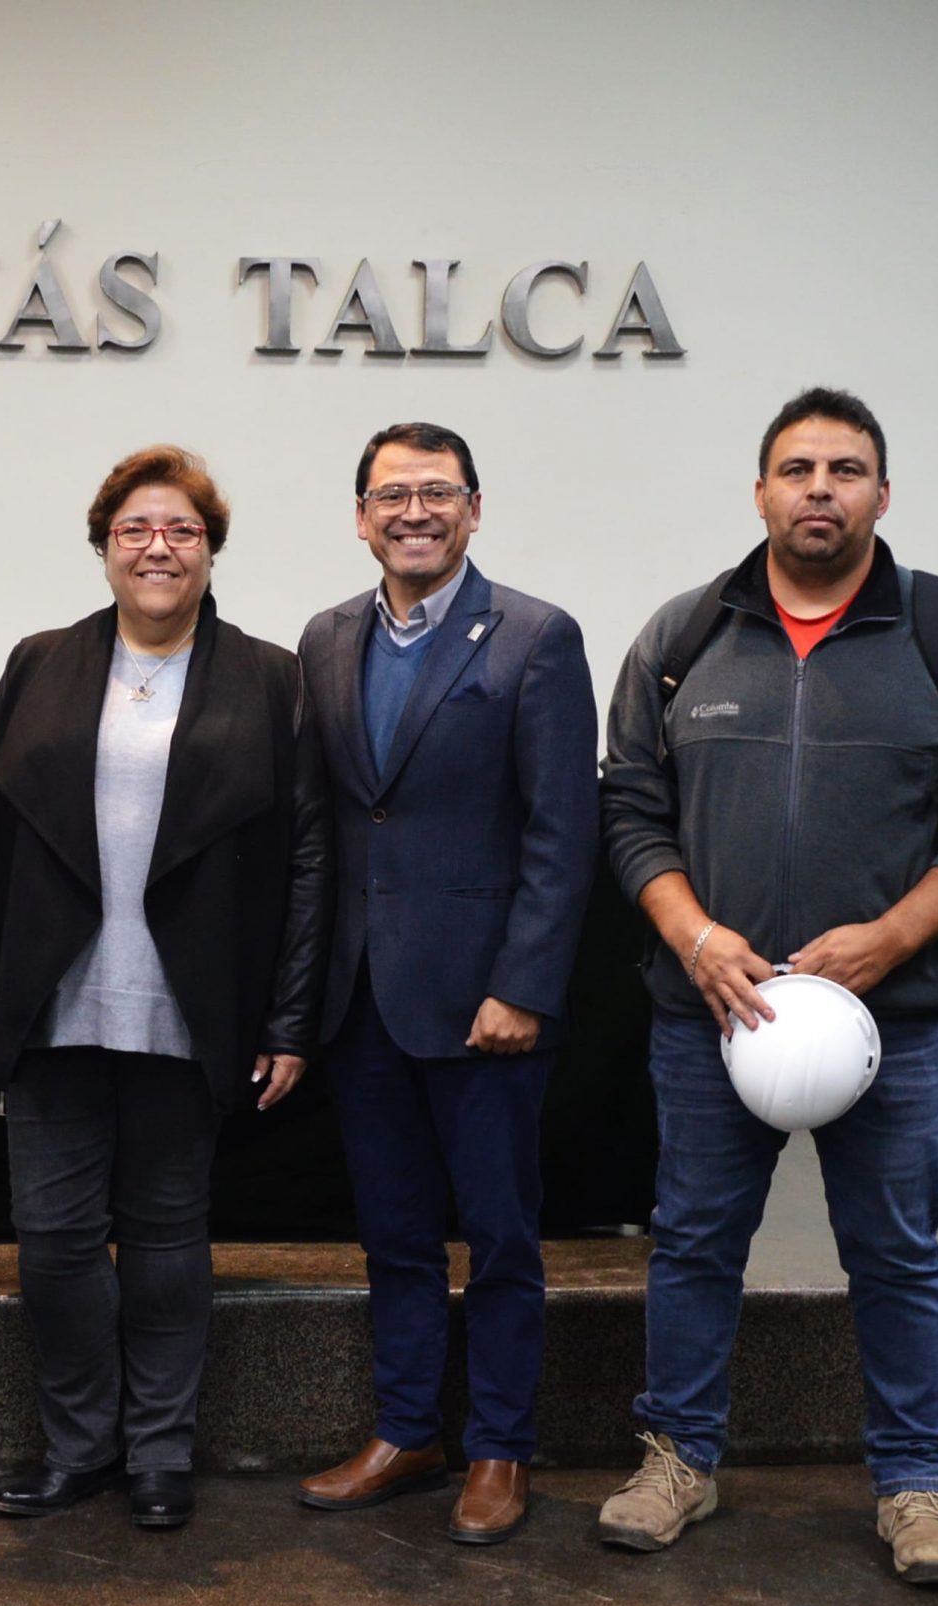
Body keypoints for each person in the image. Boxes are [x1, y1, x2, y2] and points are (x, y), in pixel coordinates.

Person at [597, 386, 938, 1586]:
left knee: (896, 1255)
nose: (818, 488)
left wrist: (891, 938)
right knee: (693, 1243)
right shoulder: (682, 638)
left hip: (889, 1026)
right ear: (759, 491)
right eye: (795, 468)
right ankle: (677, 1461)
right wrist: (693, 935)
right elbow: (631, 809)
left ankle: (914, 1485)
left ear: (881, 495)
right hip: (712, 1016)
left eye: (844, 469)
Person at [0, 446, 330, 1530]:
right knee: (56, 1243)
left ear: (210, 550)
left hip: (194, 1001)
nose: (158, 547)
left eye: (181, 531)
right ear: (104, 547)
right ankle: (80, 1448)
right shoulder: (38, 663)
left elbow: (307, 859)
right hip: (53, 1001)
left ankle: (160, 1453)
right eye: (135, 530)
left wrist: (289, 1018)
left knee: (167, 1242)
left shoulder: (268, 677)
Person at [293, 423, 600, 1545]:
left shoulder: (533, 638)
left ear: (474, 507)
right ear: (360, 515)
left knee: (503, 1236)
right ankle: (408, 1428)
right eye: (390, 496)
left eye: (435, 493)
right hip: (361, 998)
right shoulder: (325, 639)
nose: (411, 513)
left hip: (486, 1009)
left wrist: (522, 985)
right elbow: (334, 821)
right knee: (394, 1235)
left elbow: (564, 836)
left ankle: (499, 1448)